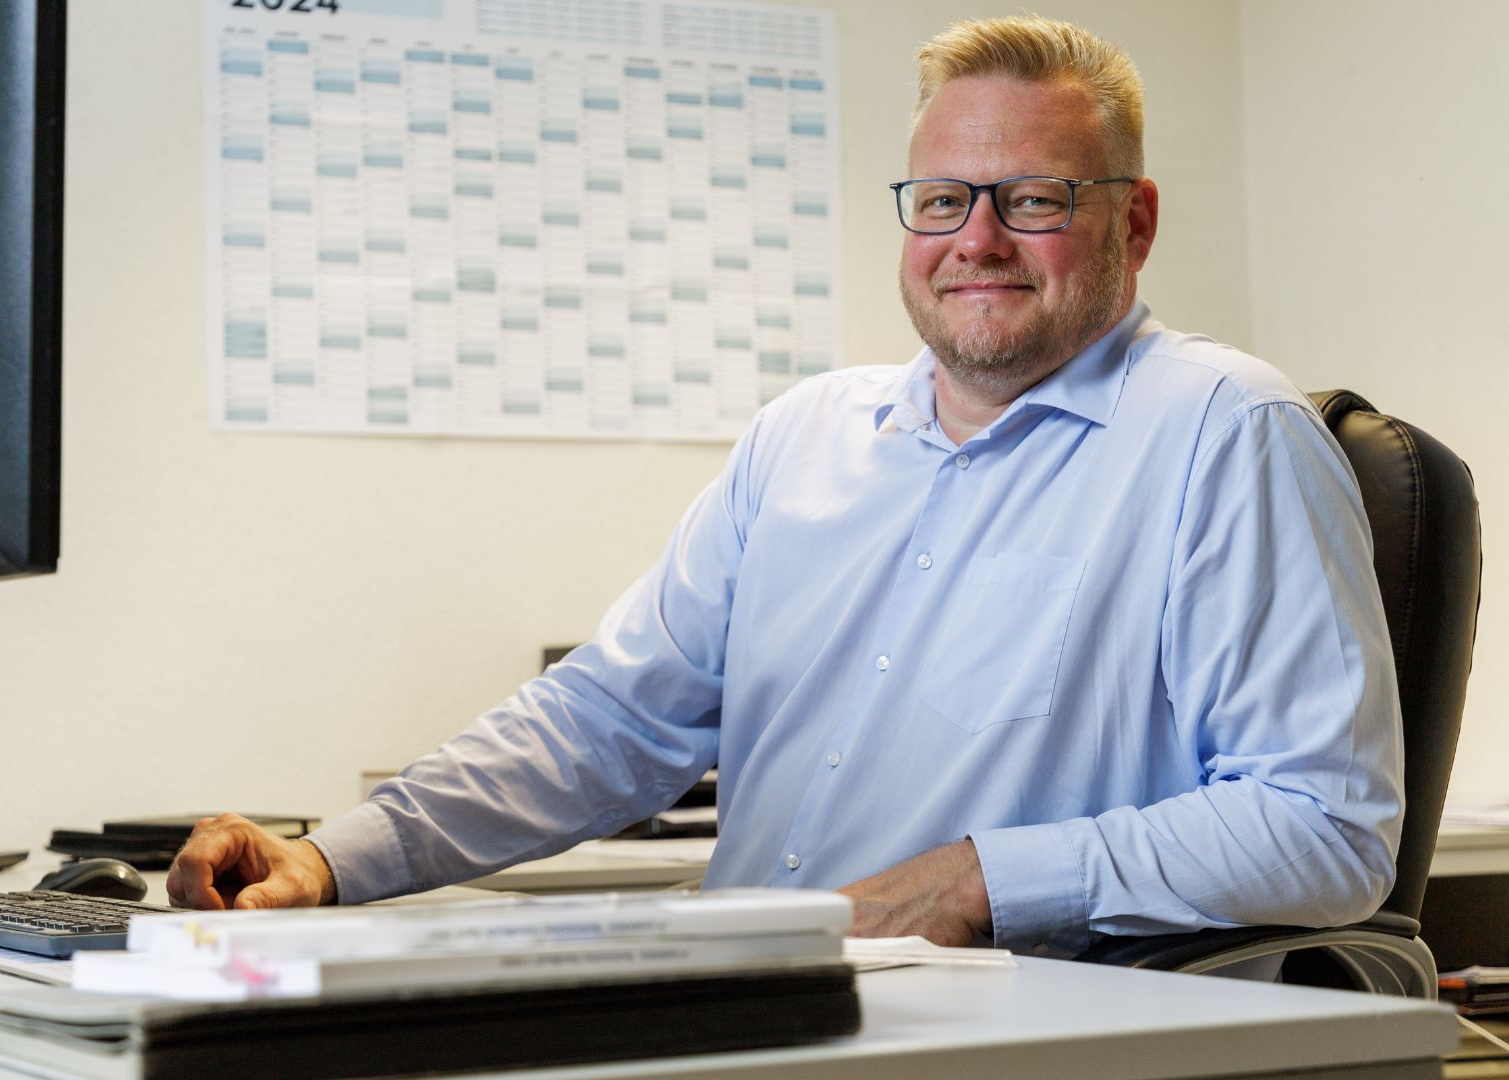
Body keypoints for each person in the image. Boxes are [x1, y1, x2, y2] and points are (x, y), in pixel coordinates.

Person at [169, 15, 1402, 958]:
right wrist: (329, 865)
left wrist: (977, 880)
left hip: (1012, 1037)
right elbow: (609, 721)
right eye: (941, 199)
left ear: (1131, 224)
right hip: (756, 1014)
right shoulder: (802, 437)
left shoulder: (1223, 433)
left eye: (1032, 200)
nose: (976, 240)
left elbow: (1326, 826)